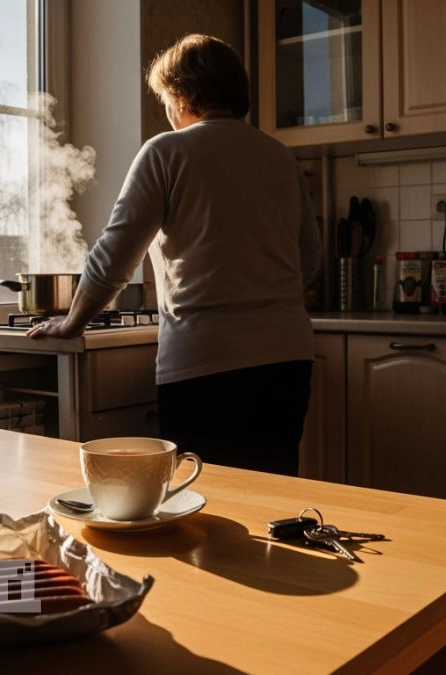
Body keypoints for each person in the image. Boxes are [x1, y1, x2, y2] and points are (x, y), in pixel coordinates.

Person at [27, 33, 322, 476]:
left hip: (207, 362)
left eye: (166, 96)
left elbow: (114, 256)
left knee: (207, 499)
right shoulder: (280, 157)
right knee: (272, 493)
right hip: (286, 358)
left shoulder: (167, 151)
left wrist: (72, 322)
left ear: (183, 94)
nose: (167, 109)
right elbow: (310, 260)